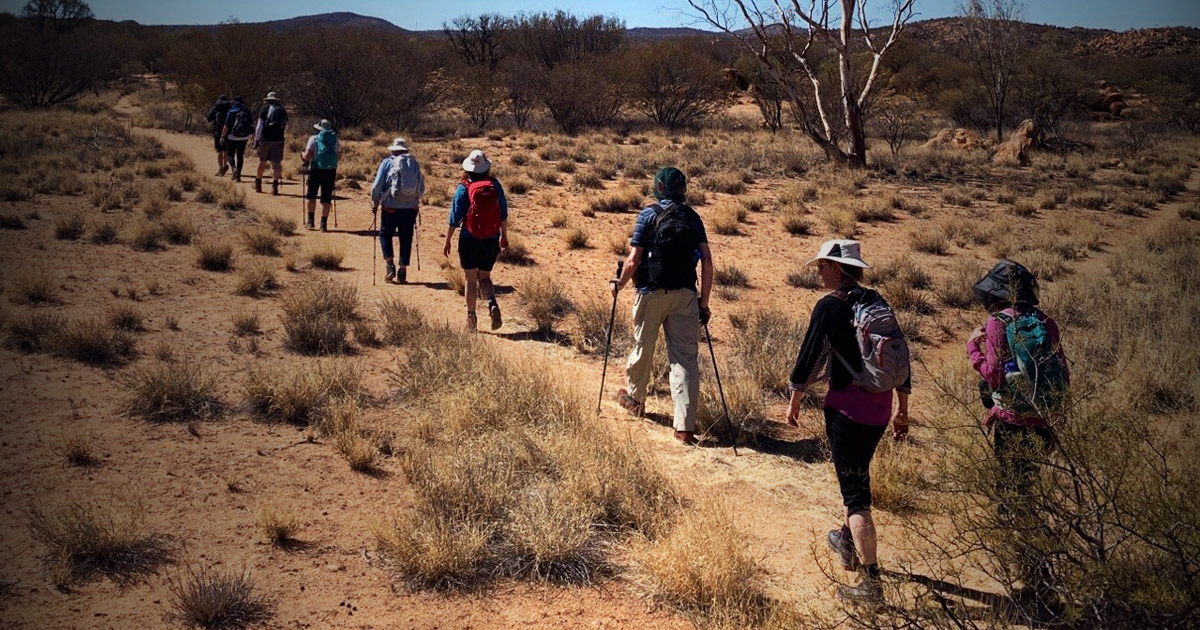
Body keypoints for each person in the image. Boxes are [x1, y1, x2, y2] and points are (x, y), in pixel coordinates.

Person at [785, 239, 911, 606]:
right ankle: (846, 541)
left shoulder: (829, 306)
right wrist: (903, 410)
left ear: (837, 268)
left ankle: (871, 585)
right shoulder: (876, 301)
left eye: (822, 266)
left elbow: (809, 356)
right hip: (879, 410)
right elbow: (902, 357)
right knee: (854, 475)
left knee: (857, 497)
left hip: (847, 411)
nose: (818, 271)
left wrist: (794, 400)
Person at [966, 259, 1070, 600]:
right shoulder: (1045, 323)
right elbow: (1062, 377)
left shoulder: (997, 323)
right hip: (1042, 421)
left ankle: (1037, 580)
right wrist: (1055, 425)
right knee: (1026, 492)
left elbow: (995, 375)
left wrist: (973, 350)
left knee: (1013, 499)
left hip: (1012, 425)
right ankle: (1035, 573)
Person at [609, 166, 713, 446]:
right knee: (685, 358)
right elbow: (707, 260)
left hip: (651, 291)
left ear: (660, 188)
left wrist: (618, 285)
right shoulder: (693, 218)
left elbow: (633, 259)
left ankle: (635, 399)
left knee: (645, 345)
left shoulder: (648, 214)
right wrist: (703, 303)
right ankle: (684, 427)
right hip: (685, 295)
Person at [444, 150, 508, 332]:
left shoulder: (464, 188)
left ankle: (471, 319)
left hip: (469, 238)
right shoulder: (495, 185)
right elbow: (503, 213)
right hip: (491, 238)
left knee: (470, 280)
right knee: (485, 277)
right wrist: (504, 236)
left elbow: (454, 218)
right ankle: (492, 303)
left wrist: (448, 240)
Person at [370, 138, 425, 284]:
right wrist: (415, 201)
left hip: (390, 207)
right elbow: (422, 187)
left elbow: (377, 186)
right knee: (406, 238)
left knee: (385, 235)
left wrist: (375, 202)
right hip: (410, 208)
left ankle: (389, 266)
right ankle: (403, 271)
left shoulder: (387, 162)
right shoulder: (414, 163)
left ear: (393, 150)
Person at [301, 119, 341, 232]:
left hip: (316, 169)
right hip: (330, 171)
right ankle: (323, 225)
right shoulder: (335, 140)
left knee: (311, 195)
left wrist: (303, 155)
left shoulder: (313, 139)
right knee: (326, 198)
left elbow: (307, 156)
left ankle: (310, 222)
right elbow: (339, 157)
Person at [254, 91, 288, 196]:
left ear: (267, 99)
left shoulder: (264, 108)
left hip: (265, 139)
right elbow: (286, 125)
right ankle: (275, 187)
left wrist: (256, 139)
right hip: (278, 139)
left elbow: (260, 125)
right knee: (276, 164)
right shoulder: (282, 110)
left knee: (262, 161)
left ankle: (258, 184)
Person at [221, 96, 253, 183]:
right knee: (240, 156)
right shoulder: (247, 111)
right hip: (244, 137)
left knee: (230, 154)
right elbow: (251, 124)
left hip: (232, 136)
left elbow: (226, 125)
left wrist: (222, 136)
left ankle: (233, 168)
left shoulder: (231, 111)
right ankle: (238, 177)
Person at [206, 94, 231, 176]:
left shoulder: (216, 107)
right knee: (226, 150)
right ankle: (225, 166)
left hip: (217, 131)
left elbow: (209, 118)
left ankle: (220, 168)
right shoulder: (229, 107)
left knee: (219, 151)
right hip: (228, 131)